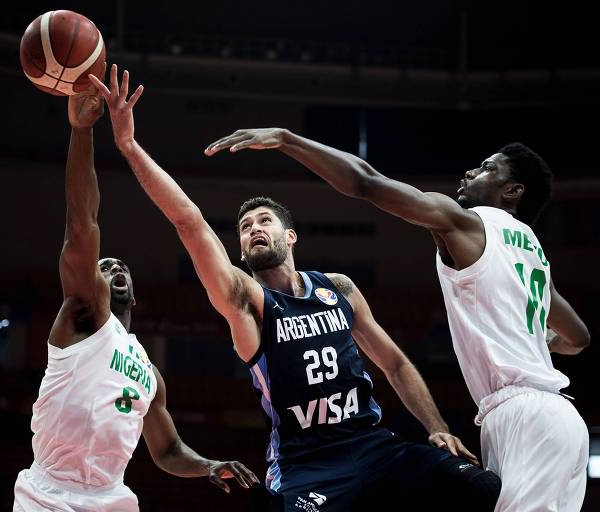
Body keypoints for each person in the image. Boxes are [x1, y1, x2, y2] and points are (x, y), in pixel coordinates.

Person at [89, 65, 501, 512]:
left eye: (265, 221)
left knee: (481, 489)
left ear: (290, 236)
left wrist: (436, 425)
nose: (253, 229)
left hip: (374, 447)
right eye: (245, 228)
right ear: (242, 253)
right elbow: (188, 220)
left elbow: (396, 364)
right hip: (307, 463)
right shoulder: (247, 302)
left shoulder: (339, 289)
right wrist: (128, 146)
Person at [205, 127, 590, 511]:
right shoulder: (532, 251)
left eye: (486, 168)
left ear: (513, 191)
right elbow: (577, 337)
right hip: (559, 417)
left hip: (524, 415)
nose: (470, 173)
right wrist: (534, 340)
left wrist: (288, 141)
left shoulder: (467, 223)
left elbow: (366, 182)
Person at [13, 78, 259, 512]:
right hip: (47, 494)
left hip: (112, 499)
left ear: (136, 295)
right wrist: (82, 131)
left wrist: (206, 465)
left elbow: (166, 452)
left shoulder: (149, 372)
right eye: (104, 266)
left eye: (121, 266)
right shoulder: (83, 318)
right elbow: (81, 222)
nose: (114, 267)